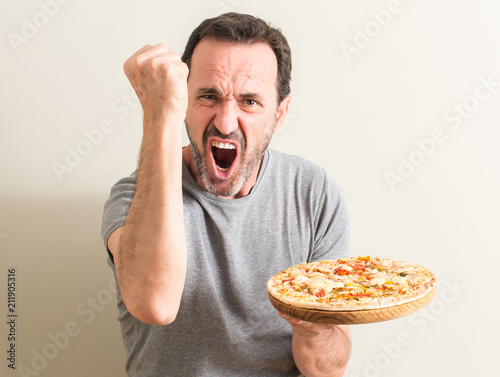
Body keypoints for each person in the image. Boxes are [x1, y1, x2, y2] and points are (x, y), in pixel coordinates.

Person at [101, 12, 350, 377]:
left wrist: (311, 325)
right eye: (207, 96)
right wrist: (159, 117)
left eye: (249, 101)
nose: (225, 122)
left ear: (279, 114)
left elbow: (328, 369)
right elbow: (154, 306)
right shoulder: (135, 197)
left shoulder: (314, 194)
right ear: (183, 102)